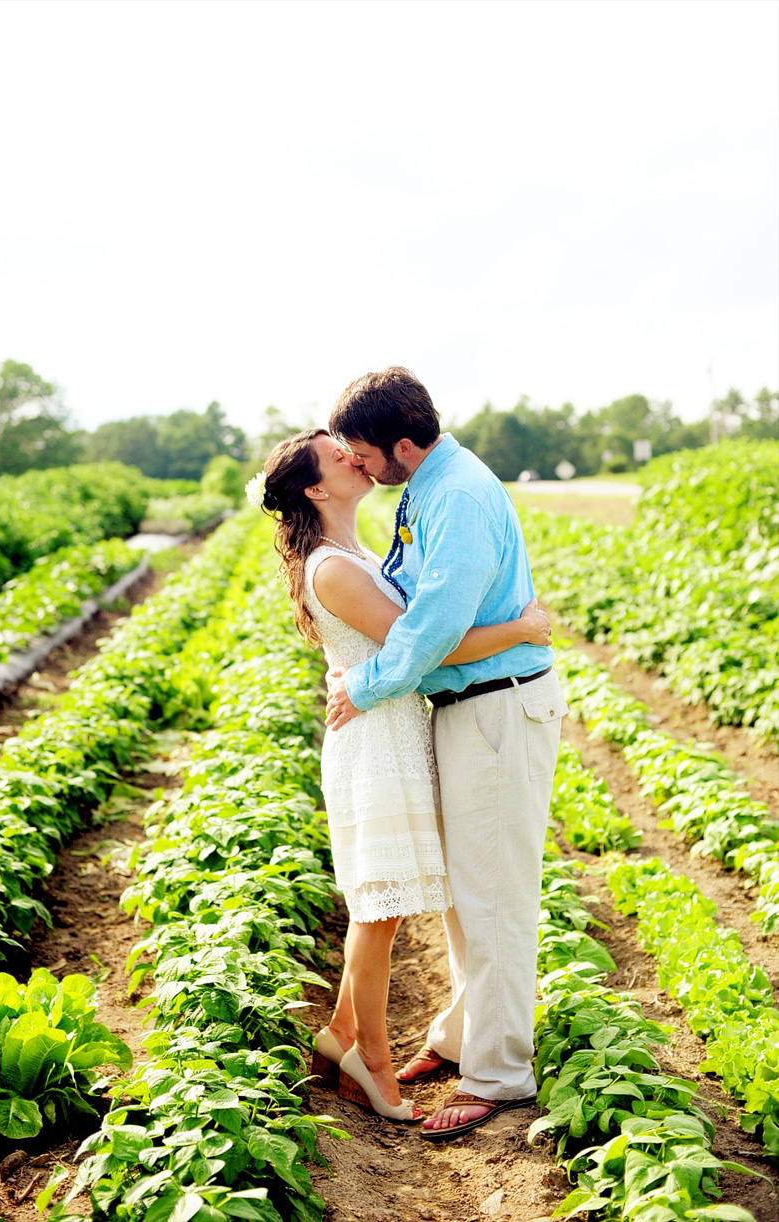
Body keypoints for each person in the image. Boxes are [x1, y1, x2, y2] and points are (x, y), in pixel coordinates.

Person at [254, 427, 553, 1125]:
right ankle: (372, 1061)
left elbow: (414, 635)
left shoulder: (356, 548)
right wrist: (523, 628)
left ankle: (342, 1034)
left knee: (384, 903)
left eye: (353, 446)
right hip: (376, 742)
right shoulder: (335, 565)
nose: (353, 459)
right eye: (337, 456)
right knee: (379, 908)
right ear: (316, 488)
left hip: (392, 730)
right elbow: (426, 644)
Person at [324, 367, 567, 1142]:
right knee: (470, 891)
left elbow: (429, 624)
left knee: (494, 897)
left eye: (363, 453)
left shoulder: (456, 496)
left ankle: (498, 1075)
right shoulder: (425, 491)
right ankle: (463, 1038)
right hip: (470, 708)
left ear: (401, 443)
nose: (358, 466)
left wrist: (366, 687)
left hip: (497, 707)